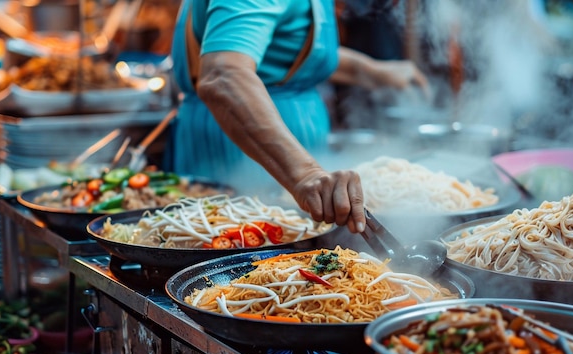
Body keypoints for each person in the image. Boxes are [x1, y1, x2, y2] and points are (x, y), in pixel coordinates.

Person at [170, 0, 427, 233]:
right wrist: (304, 173)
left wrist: (371, 71)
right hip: (248, 162)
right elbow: (223, 76)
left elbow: (282, 47)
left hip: (276, 167)